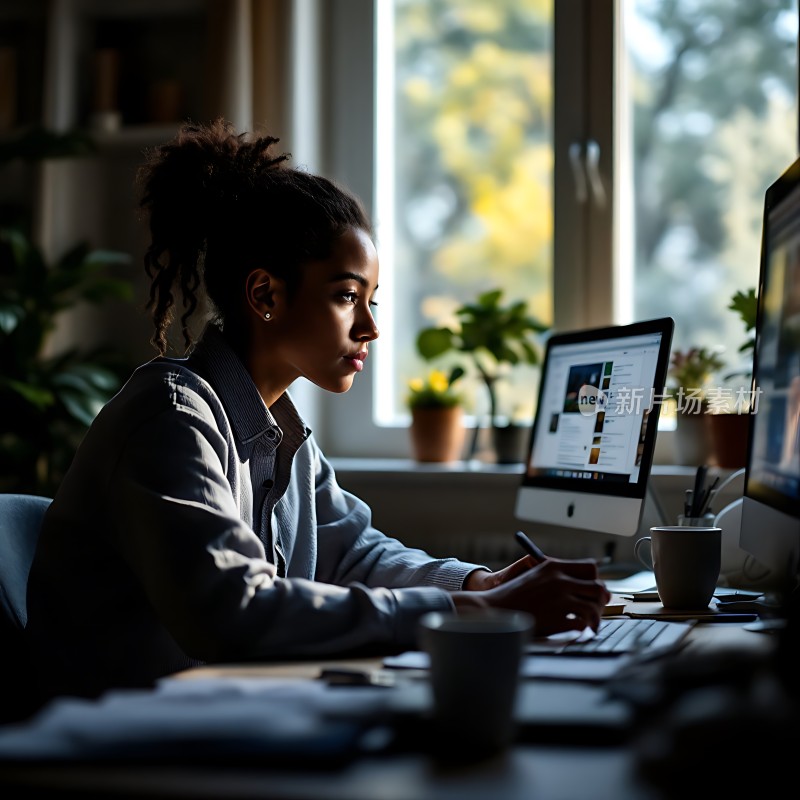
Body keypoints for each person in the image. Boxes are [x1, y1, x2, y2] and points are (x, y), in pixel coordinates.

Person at [24, 119, 610, 702]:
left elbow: (355, 555)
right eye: (347, 296)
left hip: (218, 721)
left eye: (371, 300)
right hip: (117, 749)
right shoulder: (170, 416)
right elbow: (232, 610)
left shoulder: (284, 435)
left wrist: (478, 581)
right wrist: (469, 608)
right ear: (265, 296)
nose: (371, 327)